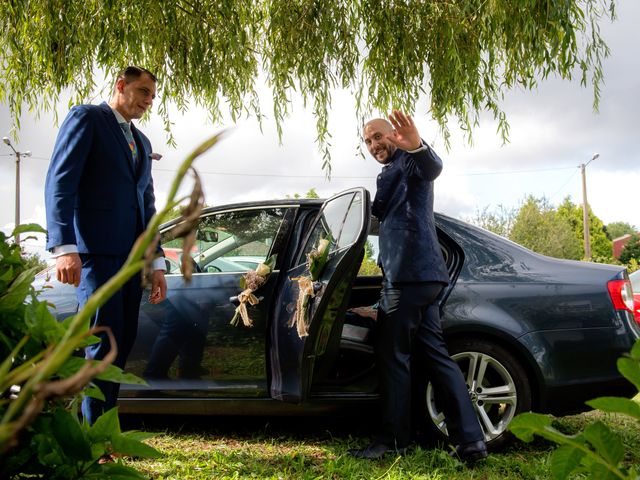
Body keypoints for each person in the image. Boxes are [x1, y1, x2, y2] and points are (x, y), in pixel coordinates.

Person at [348, 110, 487, 462]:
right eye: (367, 141)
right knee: (438, 357)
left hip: (408, 277)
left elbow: (431, 167)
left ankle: (392, 441)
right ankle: (471, 443)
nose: (373, 144)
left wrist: (418, 146)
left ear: (394, 136)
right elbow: (382, 213)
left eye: (378, 136)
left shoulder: (410, 163)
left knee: (392, 355)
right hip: (422, 278)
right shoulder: (390, 174)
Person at [45, 66, 167, 424]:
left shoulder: (141, 143)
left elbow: (147, 207)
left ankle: (102, 432)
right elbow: (60, 182)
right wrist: (65, 247)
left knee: (121, 345)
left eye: (152, 96)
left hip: (131, 263)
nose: (148, 101)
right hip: (95, 257)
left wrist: (156, 263)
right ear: (120, 85)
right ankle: (89, 438)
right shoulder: (87, 118)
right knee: (101, 345)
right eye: (143, 91)